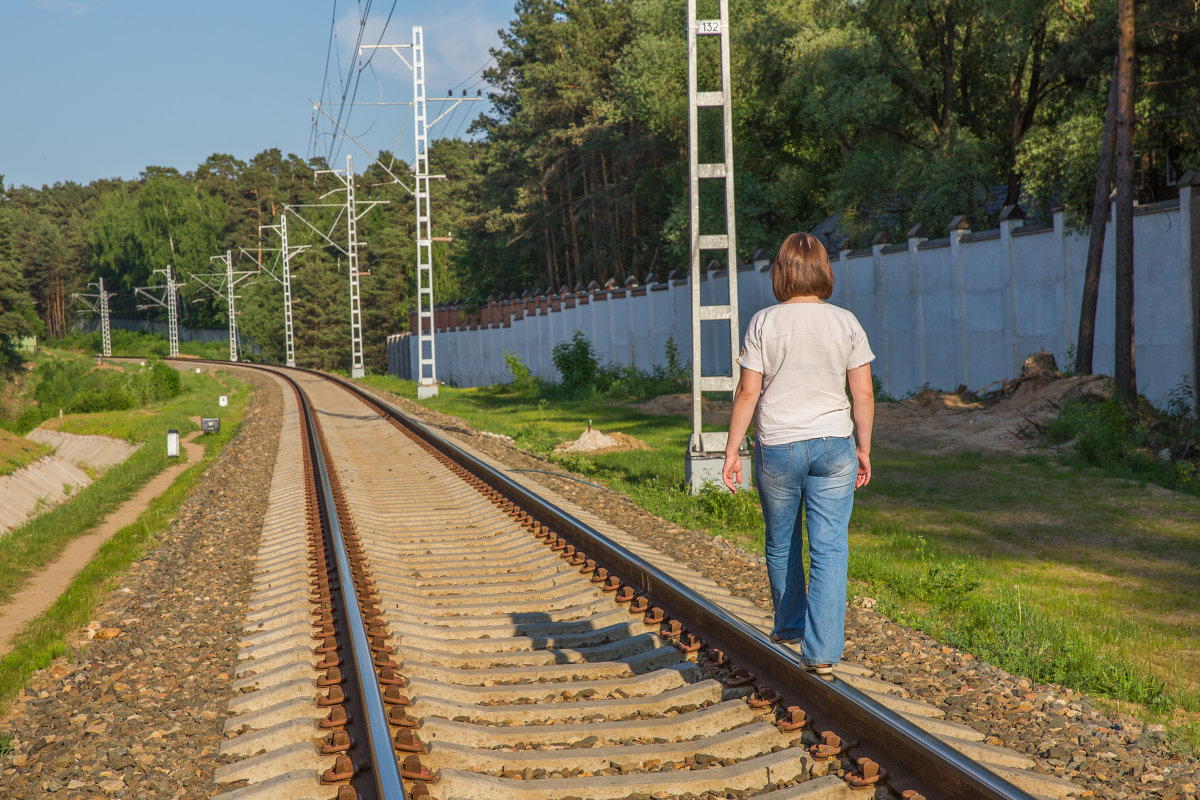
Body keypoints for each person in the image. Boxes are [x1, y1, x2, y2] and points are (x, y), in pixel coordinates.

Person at [721, 232, 875, 675]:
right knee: (830, 548)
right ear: (824, 271)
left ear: (781, 272)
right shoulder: (846, 322)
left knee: (782, 540)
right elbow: (862, 391)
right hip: (835, 446)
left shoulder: (764, 322)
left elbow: (748, 392)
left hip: (779, 447)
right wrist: (862, 447)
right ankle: (823, 652)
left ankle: (789, 626)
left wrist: (732, 451)